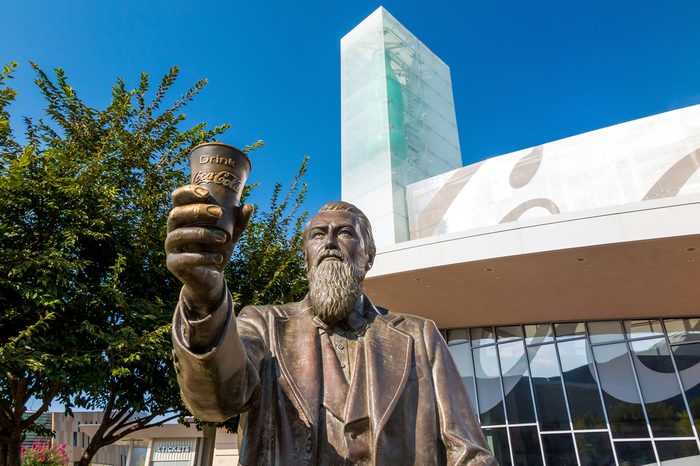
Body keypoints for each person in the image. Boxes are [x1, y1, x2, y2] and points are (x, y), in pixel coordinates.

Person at [166, 184, 496, 465]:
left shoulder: (419, 336)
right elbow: (215, 401)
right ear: (306, 256)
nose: (330, 243)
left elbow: (467, 452)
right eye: (318, 235)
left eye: (346, 233)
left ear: (368, 256)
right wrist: (204, 295)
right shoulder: (263, 324)